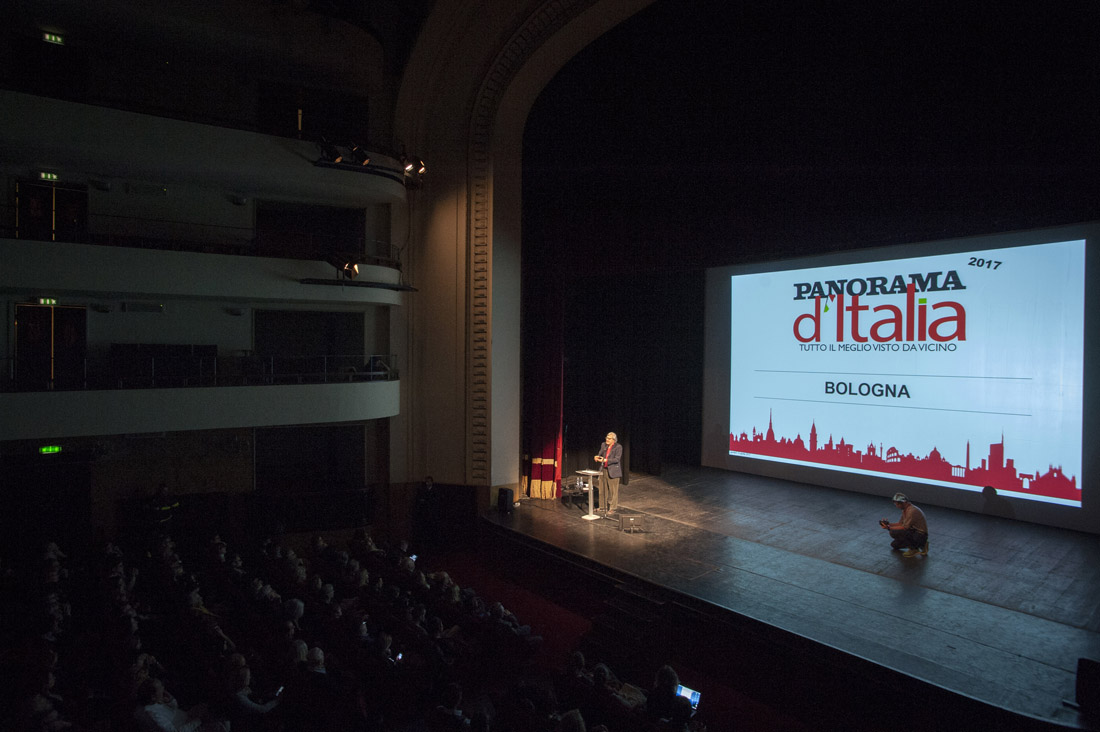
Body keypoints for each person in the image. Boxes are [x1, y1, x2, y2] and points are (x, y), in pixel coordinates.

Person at [879, 492, 929, 557]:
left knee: (895, 532)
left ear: (904, 502)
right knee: (894, 545)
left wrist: (889, 528)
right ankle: (920, 545)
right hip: (913, 531)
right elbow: (900, 523)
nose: (896, 506)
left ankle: (914, 549)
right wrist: (889, 524)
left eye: (897, 504)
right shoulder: (905, 510)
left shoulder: (912, 511)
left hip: (920, 534)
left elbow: (905, 527)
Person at [593, 432, 623, 514]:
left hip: (613, 471)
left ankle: (613, 508)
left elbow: (617, 459)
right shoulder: (604, 445)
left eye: (609, 438)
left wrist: (606, 460)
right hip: (603, 469)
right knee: (602, 490)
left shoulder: (618, 447)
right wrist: (597, 456)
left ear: (614, 440)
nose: (607, 439)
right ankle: (602, 507)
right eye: (606, 438)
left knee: (613, 491)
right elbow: (600, 453)